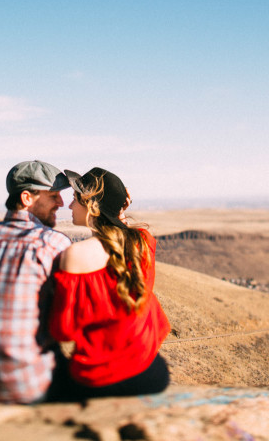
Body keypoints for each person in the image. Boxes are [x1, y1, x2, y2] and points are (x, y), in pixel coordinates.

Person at [48, 167, 171, 399]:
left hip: (97, 380)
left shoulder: (76, 255)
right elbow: (119, 229)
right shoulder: (143, 242)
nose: (70, 206)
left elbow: (63, 330)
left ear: (92, 206)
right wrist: (117, 210)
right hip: (149, 372)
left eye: (75, 199)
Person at [0, 160, 72, 403]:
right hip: (31, 384)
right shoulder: (52, 243)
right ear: (27, 198)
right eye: (53, 195)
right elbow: (65, 326)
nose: (61, 203)